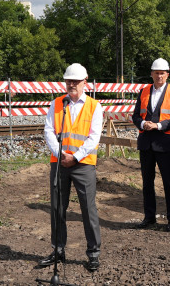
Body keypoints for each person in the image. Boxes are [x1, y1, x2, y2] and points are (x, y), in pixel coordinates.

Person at [39, 63, 102, 272]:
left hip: (83, 164)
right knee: (57, 208)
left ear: (85, 82)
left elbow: (94, 137)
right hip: (59, 163)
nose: (71, 84)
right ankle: (58, 249)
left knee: (88, 209)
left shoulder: (94, 106)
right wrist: (60, 154)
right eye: (68, 81)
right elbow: (48, 130)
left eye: (75, 81)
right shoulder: (57, 104)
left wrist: (75, 157)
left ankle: (93, 253)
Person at [131, 58, 170, 232]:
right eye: (156, 73)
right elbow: (136, 116)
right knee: (147, 182)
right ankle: (149, 216)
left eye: (162, 73)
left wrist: (159, 125)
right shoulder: (144, 91)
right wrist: (142, 124)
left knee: (169, 182)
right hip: (146, 143)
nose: (159, 76)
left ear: (167, 74)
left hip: (164, 143)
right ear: (152, 74)